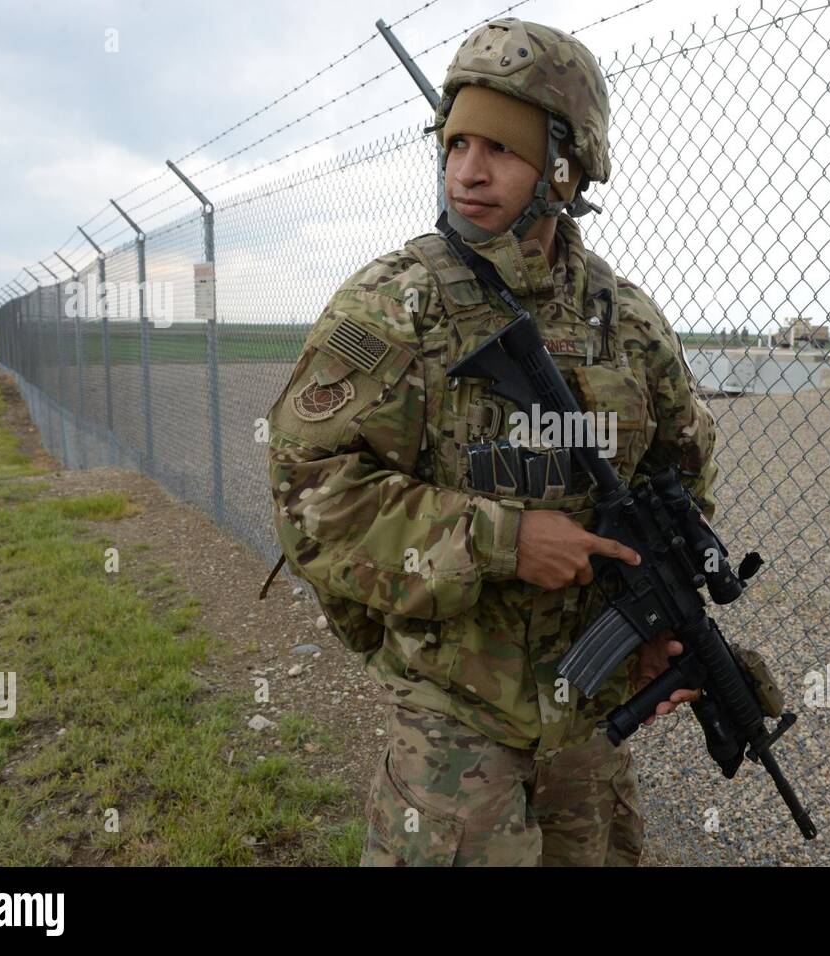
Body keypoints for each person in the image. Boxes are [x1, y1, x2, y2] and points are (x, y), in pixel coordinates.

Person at [265, 17, 718, 866]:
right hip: (453, 730)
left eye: (500, 149)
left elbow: (681, 486)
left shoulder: (627, 324)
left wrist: (657, 617)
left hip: (586, 724)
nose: (467, 172)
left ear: (566, 165)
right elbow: (310, 498)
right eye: (455, 143)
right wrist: (501, 542)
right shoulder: (391, 307)